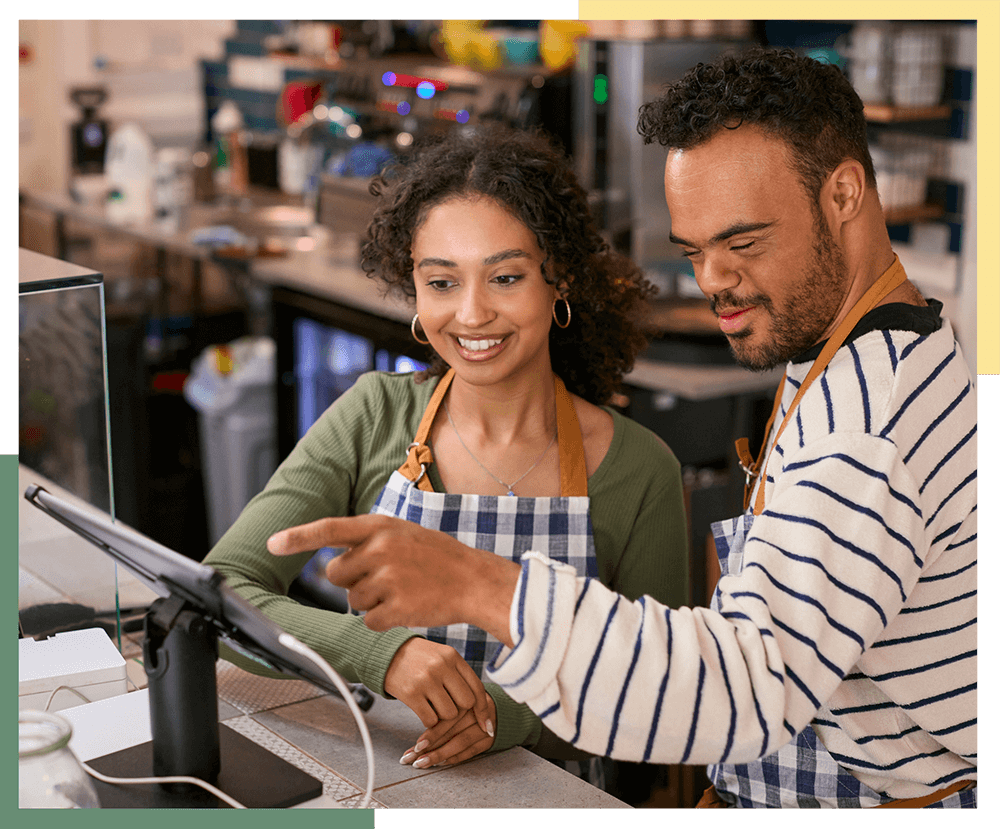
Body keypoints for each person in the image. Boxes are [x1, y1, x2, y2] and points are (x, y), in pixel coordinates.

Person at [268, 48, 978, 808]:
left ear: (843, 193)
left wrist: (482, 586)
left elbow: (742, 692)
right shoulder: (860, 345)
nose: (712, 282)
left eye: (743, 243)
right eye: (694, 251)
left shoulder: (864, 426)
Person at [204, 124, 689, 776]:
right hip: (386, 779)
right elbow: (222, 590)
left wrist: (503, 713)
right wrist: (385, 654)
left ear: (560, 279)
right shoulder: (374, 415)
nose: (471, 313)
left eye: (506, 277)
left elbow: (665, 687)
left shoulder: (639, 468)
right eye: (441, 282)